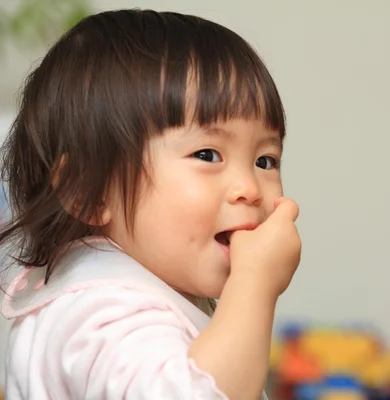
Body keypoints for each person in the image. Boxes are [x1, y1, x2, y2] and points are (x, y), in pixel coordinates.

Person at [0, 8, 301, 400]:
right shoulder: (104, 316)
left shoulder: (119, 292)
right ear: (85, 190)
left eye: (265, 161)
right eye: (208, 155)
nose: (250, 188)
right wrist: (255, 285)